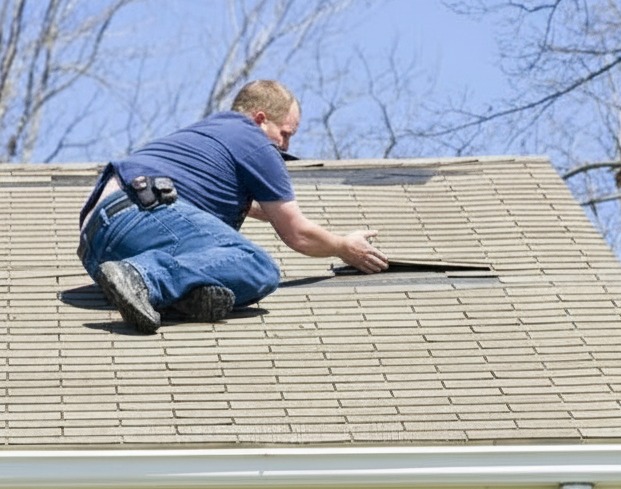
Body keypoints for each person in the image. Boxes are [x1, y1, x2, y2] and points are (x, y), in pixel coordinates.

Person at [77, 80, 388, 332]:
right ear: (260, 119)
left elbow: (214, 199)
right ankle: (143, 277)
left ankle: (178, 296)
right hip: (141, 212)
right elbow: (297, 233)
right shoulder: (252, 139)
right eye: (285, 134)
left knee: (223, 278)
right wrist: (343, 247)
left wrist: (263, 207)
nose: (285, 147)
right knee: (255, 266)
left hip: (99, 243)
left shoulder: (211, 135)